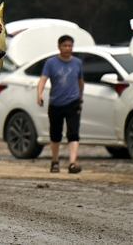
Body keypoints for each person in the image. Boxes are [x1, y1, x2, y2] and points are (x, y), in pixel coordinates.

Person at [37, 35, 84, 174]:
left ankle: (72, 163)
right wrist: (39, 94)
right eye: (65, 46)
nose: (68, 48)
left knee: (73, 133)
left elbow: (80, 81)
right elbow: (43, 80)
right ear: (59, 47)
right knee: (55, 134)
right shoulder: (51, 63)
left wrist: (80, 97)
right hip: (56, 103)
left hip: (73, 102)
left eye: (70, 46)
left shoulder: (77, 63)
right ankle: (55, 161)